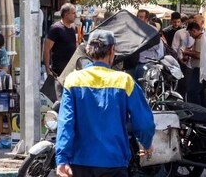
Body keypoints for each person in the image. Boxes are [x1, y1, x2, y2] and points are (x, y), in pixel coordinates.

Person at [56, 29, 156, 177]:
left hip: (80, 163)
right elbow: (144, 123)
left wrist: (62, 159)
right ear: (112, 50)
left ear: (89, 51)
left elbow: (66, 123)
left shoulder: (73, 79)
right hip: (114, 162)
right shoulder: (124, 81)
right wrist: (147, 144)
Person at [44, 3, 78, 100]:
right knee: (60, 100)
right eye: (73, 13)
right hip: (59, 72)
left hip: (71, 71)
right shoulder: (56, 28)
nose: (75, 15)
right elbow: (46, 49)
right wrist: (47, 68)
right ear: (66, 14)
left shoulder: (72, 29)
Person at [183, 22, 204, 105]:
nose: (190, 35)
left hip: (199, 69)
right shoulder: (200, 38)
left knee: (192, 91)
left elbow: (199, 55)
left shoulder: (200, 39)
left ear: (194, 31)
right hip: (198, 68)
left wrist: (187, 53)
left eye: (190, 33)